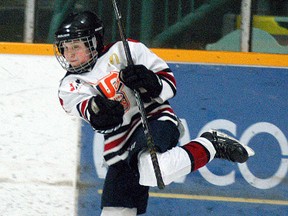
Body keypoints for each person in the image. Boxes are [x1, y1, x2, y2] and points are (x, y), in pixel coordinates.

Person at [54, 11, 255, 216]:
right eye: (65, 48)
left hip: (152, 119)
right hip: (119, 148)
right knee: (115, 212)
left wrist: (148, 81)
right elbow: (89, 111)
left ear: (94, 42)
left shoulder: (126, 49)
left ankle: (211, 143)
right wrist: (101, 112)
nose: (69, 54)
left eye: (76, 46)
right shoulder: (69, 85)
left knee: (154, 170)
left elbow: (169, 85)